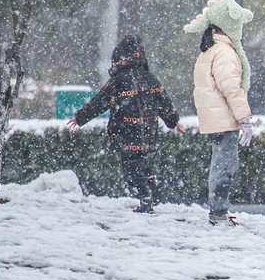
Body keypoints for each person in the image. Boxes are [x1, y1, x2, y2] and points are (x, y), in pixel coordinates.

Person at [68, 34, 182, 213]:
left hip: (127, 132)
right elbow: (163, 100)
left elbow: (100, 101)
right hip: (147, 131)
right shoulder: (150, 78)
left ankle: (146, 198)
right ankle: (152, 189)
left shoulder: (119, 81)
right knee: (141, 162)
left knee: (131, 169)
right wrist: (173, 121)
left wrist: (81, 117)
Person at [184, 0, 255, 226]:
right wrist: (244, 118)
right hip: (224, 119)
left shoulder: (210, 49)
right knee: (225, 167)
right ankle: (219, 213)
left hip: (215, 118)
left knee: (222, 165)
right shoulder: (225, 53)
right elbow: (232, 89)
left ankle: (218, 211)